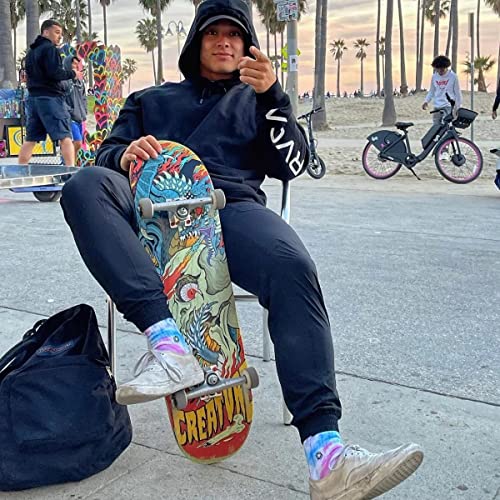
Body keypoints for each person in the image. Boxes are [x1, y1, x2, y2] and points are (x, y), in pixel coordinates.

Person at [60, 0, 423, 497]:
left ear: (249, 45)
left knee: (293, 266)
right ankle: (168, 345)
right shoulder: (150, 99)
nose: (224, 42)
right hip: (150, 211)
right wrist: (124, 154)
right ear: (196, 42)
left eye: (235, 34)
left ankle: (327, 457)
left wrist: (273, 95)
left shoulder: (258, 101)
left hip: (228, 206)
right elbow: (103, 155)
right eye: (213, 33)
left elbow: (292, 164)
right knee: (83, 185)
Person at [18, 19, 82, 166]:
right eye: (57, 32)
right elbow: (55, 73)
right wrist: (73, 73)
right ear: (46, 32)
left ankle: (20, 170)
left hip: (33, 99)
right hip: (50, 98)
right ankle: (70, 171)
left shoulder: (31, 53)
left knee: (30, 139)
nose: (60, 36)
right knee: (65, 137)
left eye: (61, 33)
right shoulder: (50, 50)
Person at [422, 55, 462, 124]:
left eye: (442, 69)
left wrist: (458, 108)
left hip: (448, 106)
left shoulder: (453, 76)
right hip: (437, 106)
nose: (440, 72)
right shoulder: (434, 76)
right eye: (437, 69)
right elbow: (432, 91)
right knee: (436, 127)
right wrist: (426, 101)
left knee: (446, 126)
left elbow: (457, 93)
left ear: (446, 67)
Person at [62, 55, 87, 158]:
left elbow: (84, 98)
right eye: (73, 64)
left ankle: (69, 163)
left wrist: (84, 111)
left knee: (76, 145)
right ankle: (68, 162)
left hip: (79, 117)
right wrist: (69, 111)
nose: (76, 66)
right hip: (70, 118)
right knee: (77, 142)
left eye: (77, 64)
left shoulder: (80, 83)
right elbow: (60, 98)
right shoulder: (64, 82)